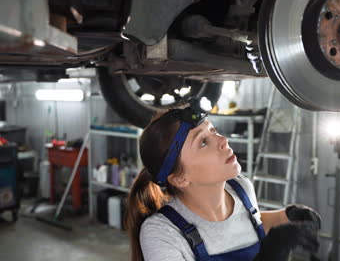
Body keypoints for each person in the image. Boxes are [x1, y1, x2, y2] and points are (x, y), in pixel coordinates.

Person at [125, 101, 322, 261]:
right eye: (203, 142)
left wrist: (287, 216)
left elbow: (248, 222)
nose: (223, 140)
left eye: (213, 131)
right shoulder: (161, 233)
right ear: (180, 178)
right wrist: (269, 254)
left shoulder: (242, 188)